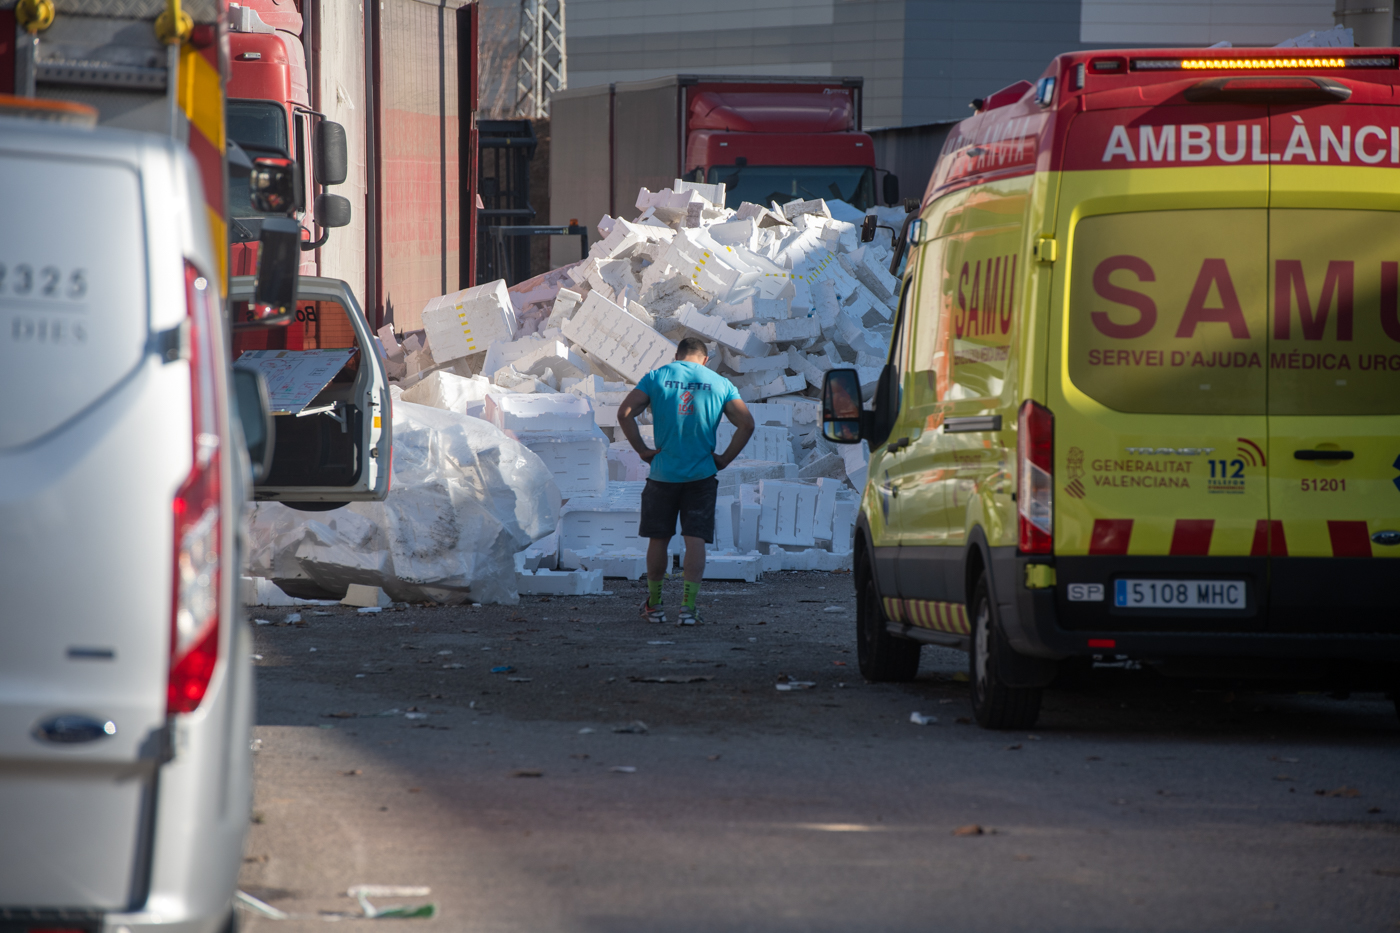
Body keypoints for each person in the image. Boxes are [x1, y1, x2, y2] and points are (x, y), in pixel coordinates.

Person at [616, 336, 755, 625]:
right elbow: (747, 424)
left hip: (662, 474)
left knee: (659, 539)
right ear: (705, 360)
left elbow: (624, 413)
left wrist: (642, 450)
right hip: (701, 475)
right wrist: (724, 458)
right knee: (695, 541)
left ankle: (655, 606)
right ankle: (688, 609)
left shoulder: (657, 376)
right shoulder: (720, 383)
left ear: (677, 355)